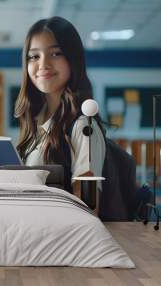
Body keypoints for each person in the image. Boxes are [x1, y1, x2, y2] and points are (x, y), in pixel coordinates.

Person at [14, 16, 105, 199]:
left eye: (55, 53)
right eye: (34, 56)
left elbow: (89, 206)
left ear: (73, 59)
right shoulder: (35, 123)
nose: (43, 64)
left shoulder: (83, 127)